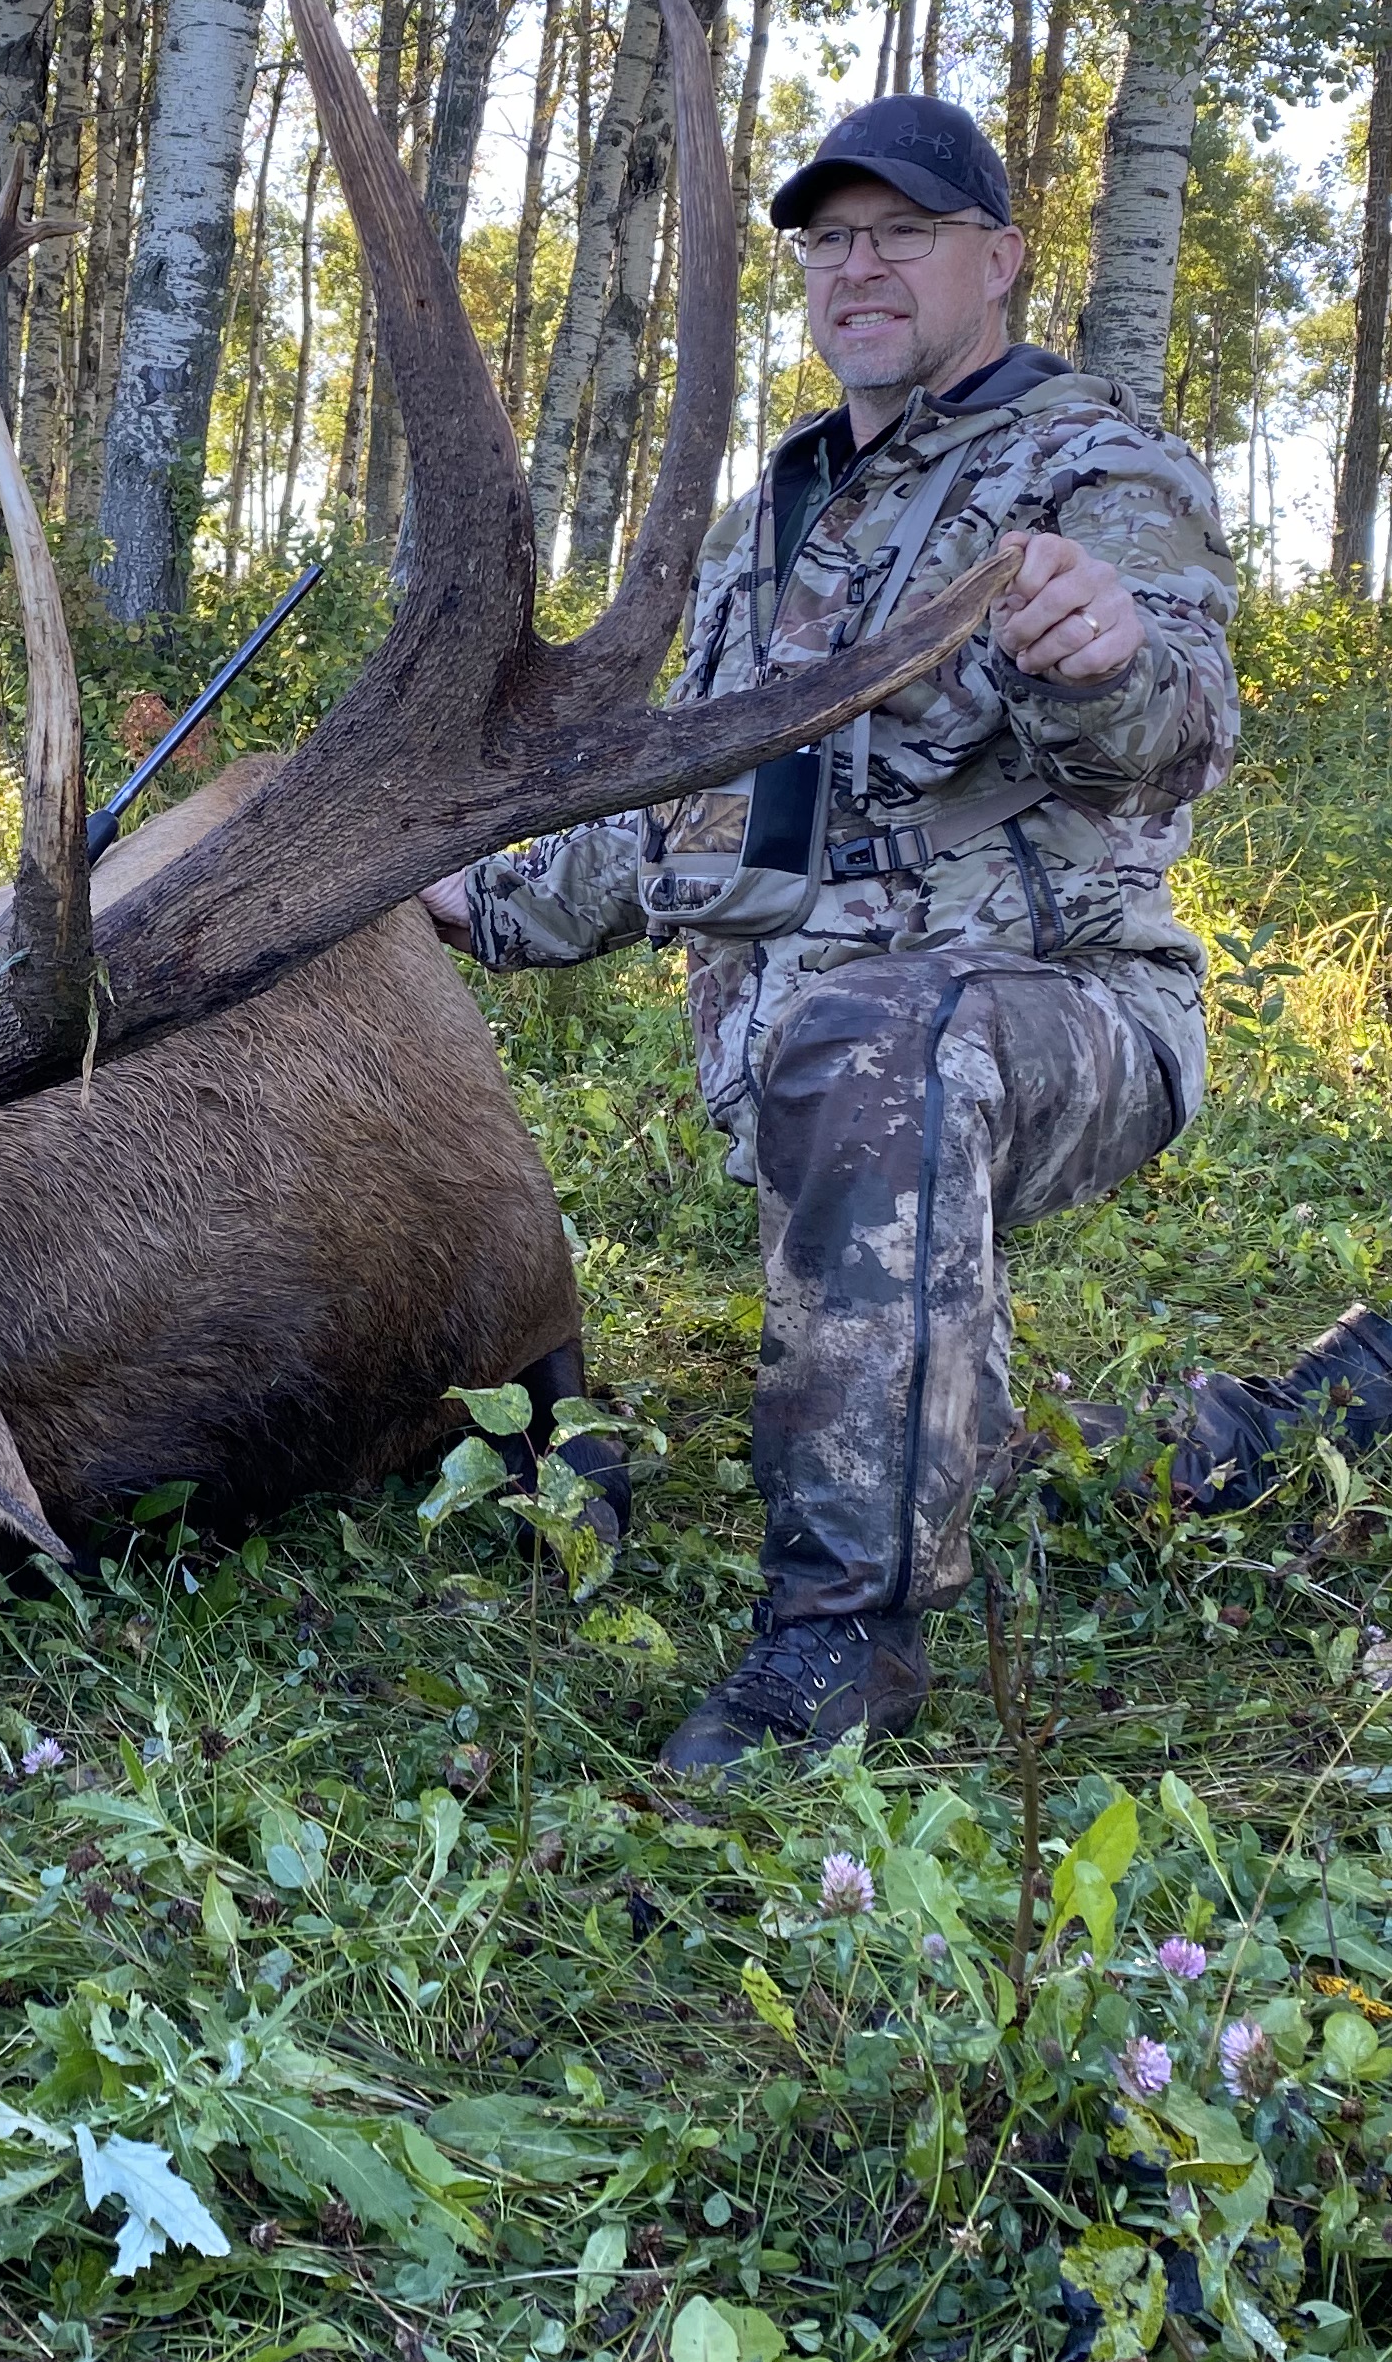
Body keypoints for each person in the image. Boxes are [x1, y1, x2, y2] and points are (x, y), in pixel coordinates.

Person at [422, 90, 1242, 1773]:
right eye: (832, 239)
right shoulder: (766, 522)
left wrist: (1104, 659)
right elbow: (690, 807)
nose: (860, 267)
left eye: (906, 235)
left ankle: (838, 1645)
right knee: (865, 1100)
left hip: (1064, 1012)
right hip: (810, 1054)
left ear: (999, 262)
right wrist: (455, 896)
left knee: (887, 1053)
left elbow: (1175, 724)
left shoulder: (1095, 467)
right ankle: (1238, 1437)